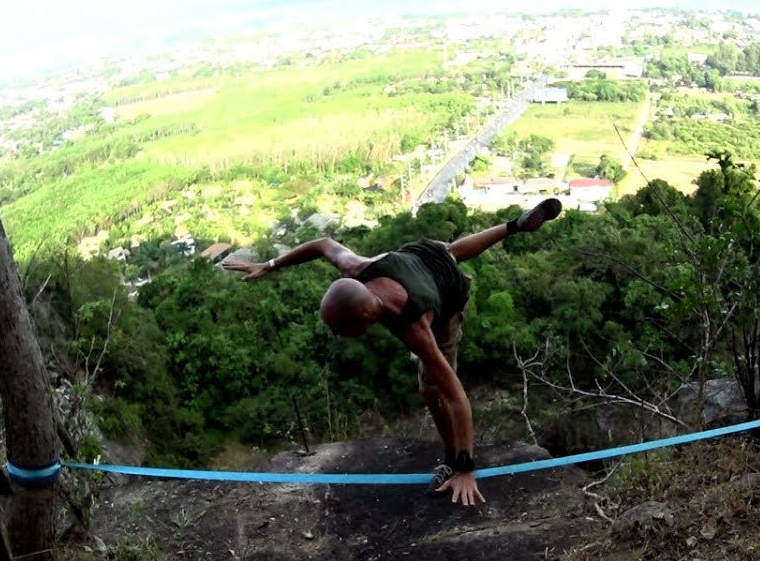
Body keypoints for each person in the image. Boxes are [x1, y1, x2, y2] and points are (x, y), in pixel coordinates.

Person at [222, 198, 563, 506]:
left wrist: (466, 468)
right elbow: (322, 244)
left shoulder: (415, 329)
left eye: (342, 330)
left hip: (446, 299)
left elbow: (457, 396)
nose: (339, 337)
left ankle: (450, 457)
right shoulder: (356, 268)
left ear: (367, 318)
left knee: (432, 389)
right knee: (451, 251)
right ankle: (515, 226)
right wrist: (271, 263)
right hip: (426, 255)